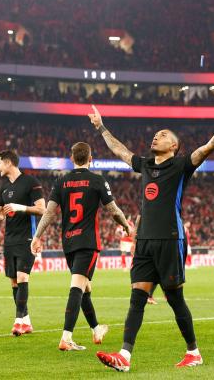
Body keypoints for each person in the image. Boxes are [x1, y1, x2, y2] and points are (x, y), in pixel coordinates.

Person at [90, 100, 214, 371]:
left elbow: (208, 147)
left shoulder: (182, 165)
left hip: (171, 239)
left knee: (174, 298)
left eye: (163, 135)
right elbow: (121, 150)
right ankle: (125, 356)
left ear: (173, 146)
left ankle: (193, 351)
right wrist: (101, 127)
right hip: (145, 240)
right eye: (156, 134)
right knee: (137, 297)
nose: (156, 136)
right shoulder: (145, 164)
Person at [32, 142, 133, 351]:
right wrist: (125, 224)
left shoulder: (61, 181)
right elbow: (113, 210)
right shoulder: (97, 180)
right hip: (87, 242)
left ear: (71, 158)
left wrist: (37, 235)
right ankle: (66, 338)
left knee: (85, 286)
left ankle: (96, 328)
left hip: (68, 242)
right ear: (91, 158)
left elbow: (49, 213)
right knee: (78, 286)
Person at [0, 150, 45, 336]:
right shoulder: (4, 186)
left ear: (8, 163)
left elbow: (42, 209)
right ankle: (27, 321)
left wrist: (20, 207)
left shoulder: (31, 182)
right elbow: (0, 215)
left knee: (23, 278)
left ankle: (17, 322)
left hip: (27, 238)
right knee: (14, 282)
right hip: (10, 240)